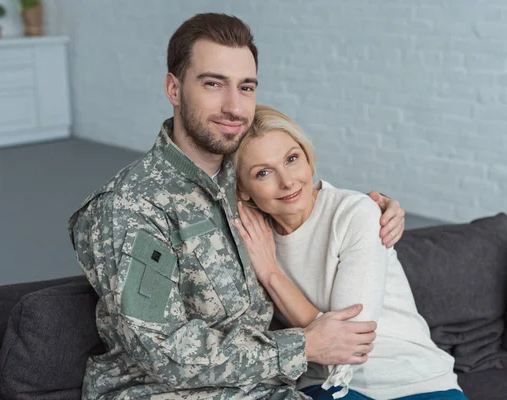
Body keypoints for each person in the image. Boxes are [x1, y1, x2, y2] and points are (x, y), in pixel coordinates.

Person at [68, 13, 406, 400]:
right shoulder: (132, 207)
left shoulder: (246, 182)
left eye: (246, 88)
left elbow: (310, 207)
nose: (234, 106)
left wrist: (371, 207)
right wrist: (302, 347)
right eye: (213, 84)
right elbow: (162, 351)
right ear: (174, 89)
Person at [233, 105, 469, 400]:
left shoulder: (354, 213)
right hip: (325, 384)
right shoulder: (247, 235)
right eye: (264, 172)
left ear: (308, 158)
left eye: (292, 159)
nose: (287, 181)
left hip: (411, 376)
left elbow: (347, 341)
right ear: (242, 189)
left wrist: (270, 273)